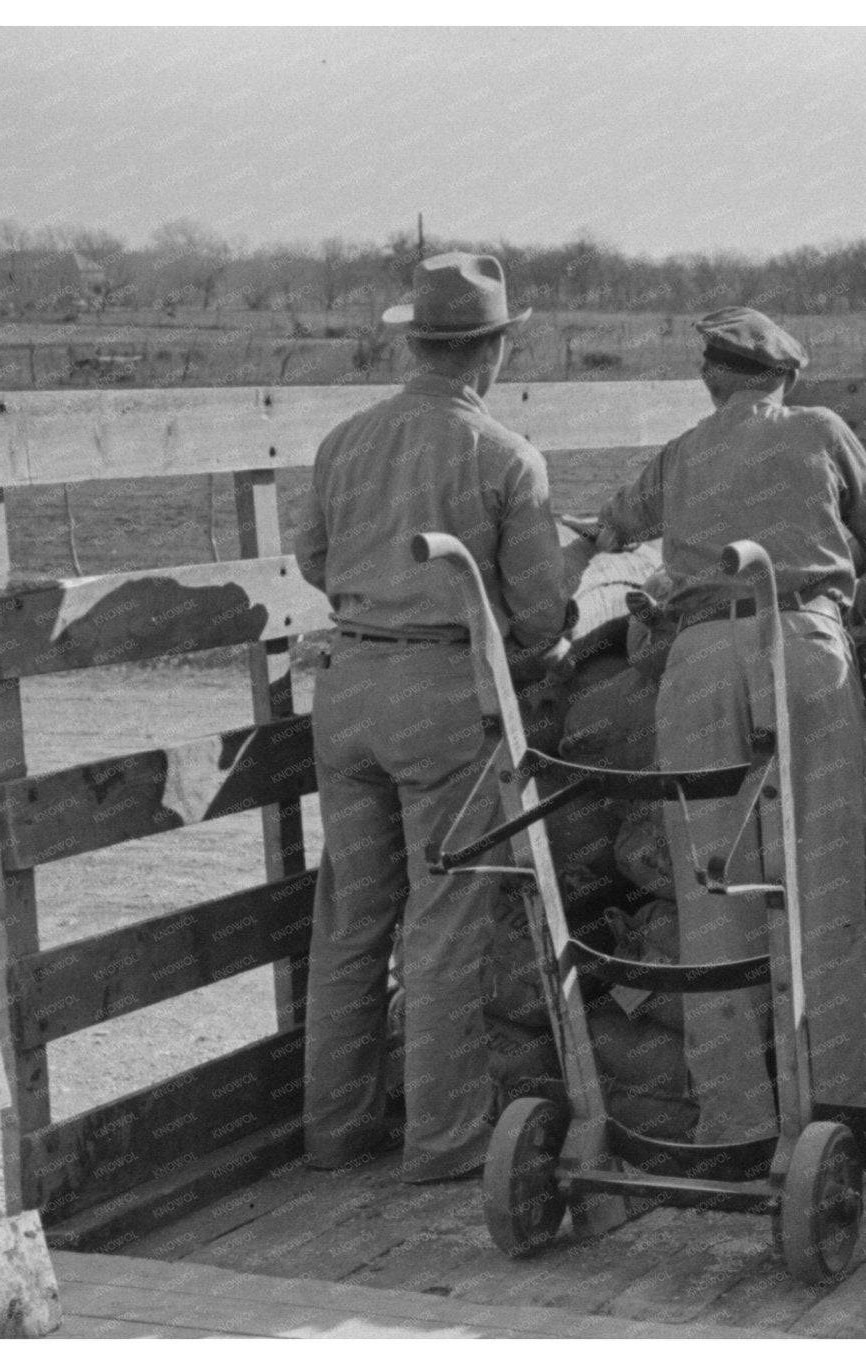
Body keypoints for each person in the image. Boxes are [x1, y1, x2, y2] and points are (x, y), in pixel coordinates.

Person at [585, 307, 866, 1144]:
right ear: (786, 377)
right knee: (822, 878)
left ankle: (732, 1121)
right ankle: (834, 1111)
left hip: (696, 660)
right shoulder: (822, 429)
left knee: (711, 889)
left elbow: (609, 527)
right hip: (801, 647)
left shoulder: (682, 453)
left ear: (711, 377)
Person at [297, 252, 572, 1182]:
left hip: (346, 686)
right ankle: (444, 1142)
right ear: (490, 352)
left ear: (414, 342)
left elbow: (311, 560)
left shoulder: (343, 440)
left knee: (349, 920)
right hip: (442, 699)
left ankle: (334, 1130)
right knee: (446, 922)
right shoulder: (506, 457)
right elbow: (538, 615)